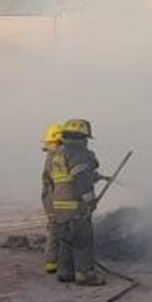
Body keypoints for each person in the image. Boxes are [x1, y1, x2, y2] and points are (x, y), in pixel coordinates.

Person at [47, 118, 110, 286]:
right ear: (82, 137)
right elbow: (80, 178)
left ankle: (65, 272)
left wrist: (95, 176)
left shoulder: (59, 153)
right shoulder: (79, 151)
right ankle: (85, 274)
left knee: (67, 240)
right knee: (82, 239)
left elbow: (66, 177)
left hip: (60, 205)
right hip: (75, 204)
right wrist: (90, 200)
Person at [39, 123, 63, 274]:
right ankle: (52, 263)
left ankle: (54, 262)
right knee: (56, 228)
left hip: (53, 198)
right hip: (53, 199)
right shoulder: (55, 157)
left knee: (56, 228)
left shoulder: (53, 155)